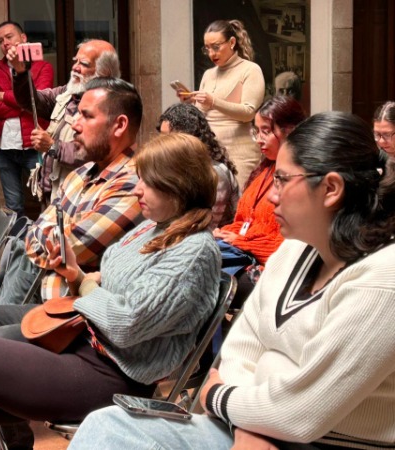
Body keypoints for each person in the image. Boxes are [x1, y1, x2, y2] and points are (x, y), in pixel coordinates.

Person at [0, 131, 221, 450]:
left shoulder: (194, 251)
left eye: (149, 183)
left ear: (179, 187)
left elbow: (125, 324)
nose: (138, 189)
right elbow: (114, 294)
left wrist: (87, 286)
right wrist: (79, 276)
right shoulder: (155, 227)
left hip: (114, 376)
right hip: (84, 346)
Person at [68, 111, 395, 450]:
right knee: (107, 426)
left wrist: (216, 397)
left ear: (330, 189)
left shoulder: (382, 279)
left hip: (323, 443)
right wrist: (248, 425)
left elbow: (301, 413)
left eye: (282, 180)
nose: (272, 196)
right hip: (254, 425)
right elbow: (241, 348)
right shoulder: (294, 250)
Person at [0, 78, 145, 334]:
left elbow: (71, 249)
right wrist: (49, 237)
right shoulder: (80, 175)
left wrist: (47, 236)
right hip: (44, 299)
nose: (74, 125)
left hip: (79, 315)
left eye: (87, 116)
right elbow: (37, 232)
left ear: (119, 125)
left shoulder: (133, 183)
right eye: (77, 114)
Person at [10, 38, 120, 204]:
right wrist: (21, 73)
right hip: (54, 196)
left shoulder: (112, 104)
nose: (75, 67)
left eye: (83, 64)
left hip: (79, 200)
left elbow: (97, 153)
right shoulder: (68, 94)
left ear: (104, 72)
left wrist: (52, 146)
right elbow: (31, 101)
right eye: (75, 61)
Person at [213, 96, 306, 286]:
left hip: (268, 268)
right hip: (244, 253)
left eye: (266, 131)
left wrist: (241, 241)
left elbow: (291, 249)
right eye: (257, 131)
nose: (259, 140)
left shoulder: (302, 177)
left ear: (291, 131)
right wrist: (223, 233)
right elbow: (244, 223)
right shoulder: (263, 170)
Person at [0, 21, 54, 216]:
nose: (5, 43)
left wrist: (4, 96)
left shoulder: (43, 67)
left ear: (23, 38)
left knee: (46, 199)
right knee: (13, 205)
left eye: (9, 37)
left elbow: (38, 100)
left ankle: (46, 235)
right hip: (4, 147)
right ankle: (18, 237)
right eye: (0, 40)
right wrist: (23, 105)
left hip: (34, 144)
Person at [182, 19, 265, 188]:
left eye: (216, 47)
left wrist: (213, 101)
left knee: (238, 199)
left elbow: (248, 112)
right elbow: (201, 115)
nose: (211, 53)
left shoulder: (250, 69)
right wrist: (190, 101)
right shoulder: (208, 74)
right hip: (209, 150)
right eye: (207, 48)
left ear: (232, 42)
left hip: (239, 151)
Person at [158, 102, 239, 228]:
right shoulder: (175, 167)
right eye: (162, 137)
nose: (162, 143)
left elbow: (206, 226)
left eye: (169, 138)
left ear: (188, 138)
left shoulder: (216, 173)